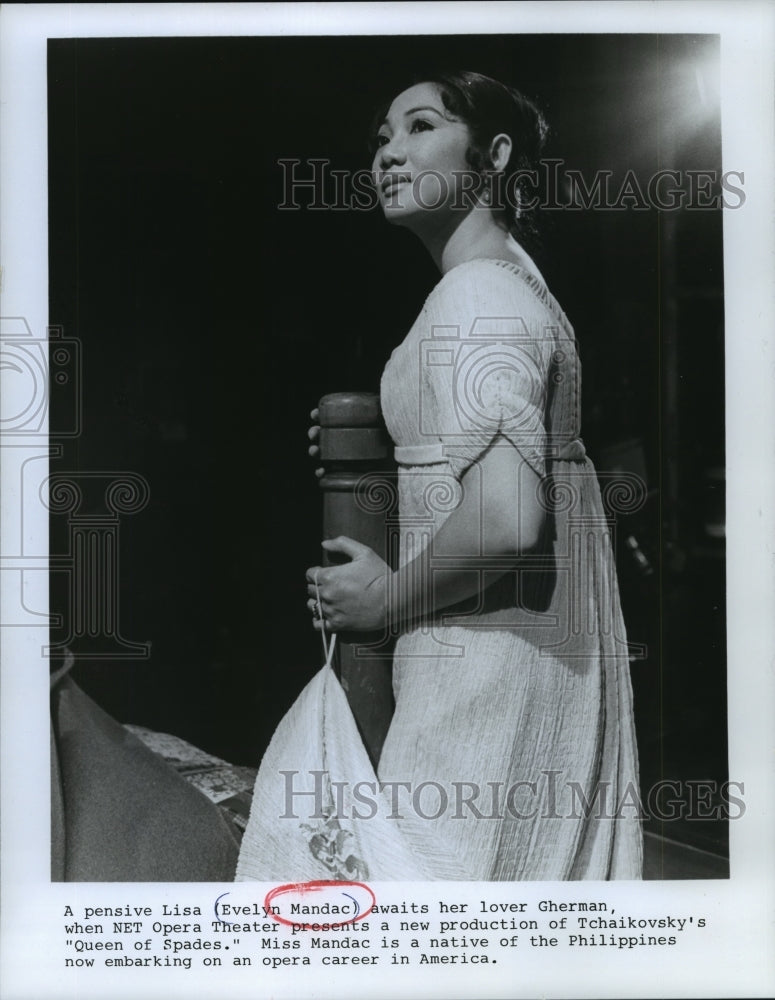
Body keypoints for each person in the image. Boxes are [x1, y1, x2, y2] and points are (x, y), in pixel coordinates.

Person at [237, 71, 642, 882]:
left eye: (420, 127)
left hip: (487, 660)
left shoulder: (474, 296)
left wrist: (383, 599)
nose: (389, 153)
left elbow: (503, 519)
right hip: (527, 654)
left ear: (492, 155)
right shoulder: (517, 285)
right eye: (381, 137)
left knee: (430, 892)